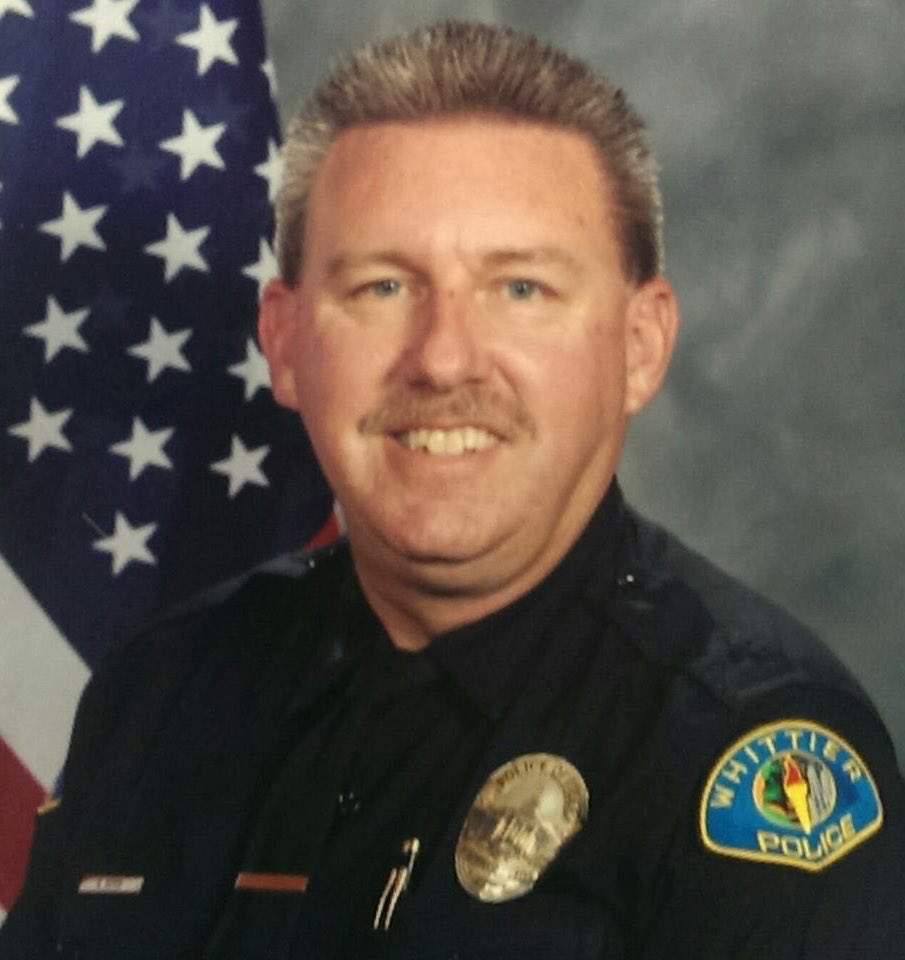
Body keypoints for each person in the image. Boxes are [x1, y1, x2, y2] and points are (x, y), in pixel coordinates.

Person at [2, 20, 903, 960]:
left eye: (520, 289)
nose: (440, 359)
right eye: (382, 287)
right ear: (284, 342)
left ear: (639, 347)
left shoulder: (746, 753)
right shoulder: (157, 693)